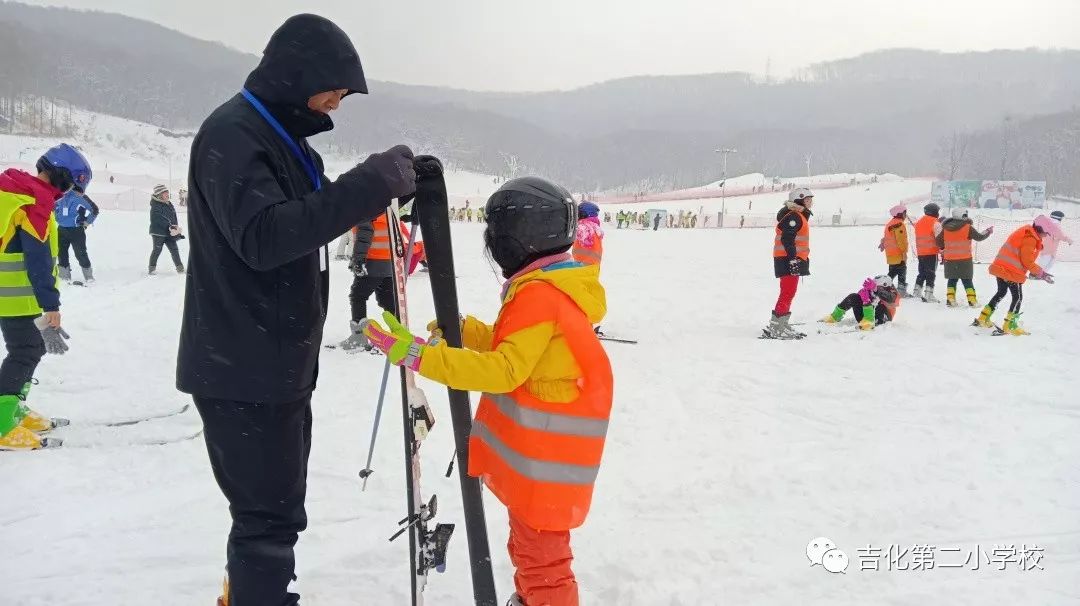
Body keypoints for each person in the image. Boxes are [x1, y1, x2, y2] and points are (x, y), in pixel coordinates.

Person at [175, 14, 417, 606]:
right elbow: (263, 235)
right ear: (297, 76)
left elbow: (313, 213)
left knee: (274, 511)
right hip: (244, 366)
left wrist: (387, 185)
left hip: (269, 363)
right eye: (334, 89)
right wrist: (367, 184)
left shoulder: (276, 140)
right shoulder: (234, 136)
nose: (337, 103)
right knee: (268, 523)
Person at [362, 177, 612, 606]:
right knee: (532, 550)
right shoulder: (553, 287)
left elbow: (504, 370)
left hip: (548, 464)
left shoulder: (539, 295)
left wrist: (421, 356)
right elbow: (520, 345)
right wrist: (466, 332)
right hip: (548, 462)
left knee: (543, 562)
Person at [0, 143, 90, 451]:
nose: (68, 193)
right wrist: (51, 306)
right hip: (13, 295)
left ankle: (12, 409)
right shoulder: (34, 202)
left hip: (11, 294)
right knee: (25, 350)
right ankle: (1, 424)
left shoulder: (16, 190)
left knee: (30, 347)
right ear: (64, 179)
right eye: (72, 187)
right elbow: (37, 259)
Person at [338, 213, 423, 351]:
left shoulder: (366, 208)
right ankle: (398, 334)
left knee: (358, 296)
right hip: (390, 264)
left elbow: (364, 234)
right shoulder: (387, 209)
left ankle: (359, 337)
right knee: (388, 300)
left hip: (373, 263)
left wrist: (358, 260)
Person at [973, 215, 1058, 335]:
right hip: (1011, 272)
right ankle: (1010, 325)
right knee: (1017, 298)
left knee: (1001, 292)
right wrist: (1042, 274)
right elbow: (1027, 260)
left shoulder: (1026, 232)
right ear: (1040, 228)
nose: (1045, 236)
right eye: (1045, 233)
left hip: (1001, 268)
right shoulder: (1030, 238)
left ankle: (983, 317)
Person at [764, 187, 813, 338]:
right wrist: (792, 259)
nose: (810, 202)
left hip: (792, 259)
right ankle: (777, 327)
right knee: (787, 292)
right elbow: (787, 239)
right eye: (807, 199)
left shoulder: (799, 215)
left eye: (811, 199)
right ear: (799, 200)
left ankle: (782, 323)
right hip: (788, 259)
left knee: (789, 292)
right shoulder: (794, 216)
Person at [936, 207, 993, 307]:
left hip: (949, 259)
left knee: (952, 280)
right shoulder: (967, 227)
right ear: (963, 216)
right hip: (964, 259)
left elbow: (938, 241)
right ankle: (972, 301)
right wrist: (988, 232)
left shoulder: (946, 228)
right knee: (967, 280)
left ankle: (950, 300)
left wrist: (945, 246)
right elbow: (979, 237)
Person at [820, 275, 900, 331]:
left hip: (882, 319)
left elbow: (889, 298)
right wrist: (864, 297)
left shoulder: (893, 293)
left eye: (878, 286)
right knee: (854, 297)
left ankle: (869, 324)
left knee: (881, 305)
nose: (875, 288)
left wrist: (876, 290)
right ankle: (834, 317)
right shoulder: (873, 291)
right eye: (874, 286)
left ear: (886, 286)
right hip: (867, 317)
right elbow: (860, 300)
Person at [54, 188, 100, 283]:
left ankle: (88, 276)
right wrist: (57, 215)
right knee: (61, 252)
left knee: (80, 253)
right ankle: (64, 276)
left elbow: (95, 210)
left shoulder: (81, 196)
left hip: (76, 231)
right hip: (62, 229)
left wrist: (87, 222)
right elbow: (53, 205)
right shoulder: (60, 194)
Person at [148, 185, 185, 275]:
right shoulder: (155, 205)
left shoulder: (169, 203)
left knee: (174, 250)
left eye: (167, 192)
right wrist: (170, 225)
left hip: (169, 232)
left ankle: (180, 269)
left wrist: (175, 227)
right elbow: (157, 219)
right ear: (159, 194)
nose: (167, 194)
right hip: (158, 232)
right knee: (157, 250)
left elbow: (173, 216)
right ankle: (152, 269)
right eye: (165, 193)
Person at [912, 202, 943, 302]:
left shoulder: (919, 222)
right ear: (934, 212)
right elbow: (940, 238)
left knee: (922, 272)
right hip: (931, 252)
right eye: (937, 211)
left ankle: (917, 291)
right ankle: (928, 295)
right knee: (931, 273)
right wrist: (943, 249)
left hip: (920, 252)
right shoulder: (935, 223)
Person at [879, 204, 910, 296]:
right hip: (898, 253)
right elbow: (901, 240)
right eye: (904, 213)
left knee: (893, 271)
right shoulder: (899, 224)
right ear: (900, 214)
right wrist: (904, 251)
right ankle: (899, 290)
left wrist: (883, 243)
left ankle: (886, 287)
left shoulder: (890, 223)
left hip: (890, 253)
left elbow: (887, 237)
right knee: (901, 270)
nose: (905, 216)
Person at [573, 201, 603, 268]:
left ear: (583, 214)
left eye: (578, 213)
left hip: (583, 264)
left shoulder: (584, 226)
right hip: (595, 262)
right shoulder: (594, 226)